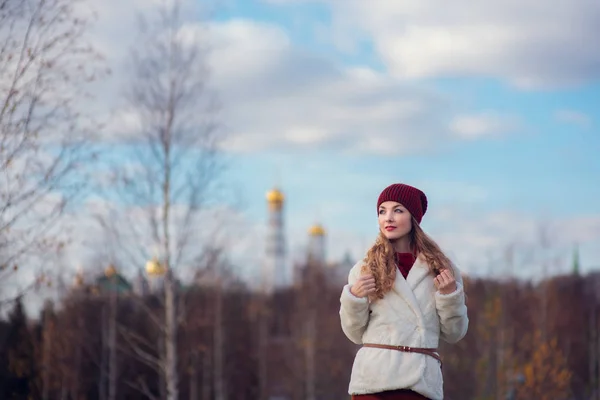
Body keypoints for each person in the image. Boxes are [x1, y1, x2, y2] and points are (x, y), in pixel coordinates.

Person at [339, 183, 469, 400]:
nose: (388, 218)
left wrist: (449, 295)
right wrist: (355, 298)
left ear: (413, 218)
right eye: (382, 211)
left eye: (398, 210)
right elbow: (353, 334)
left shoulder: (441, 269)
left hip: (419, 384)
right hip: (373, 384)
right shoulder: (365, 268)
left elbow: (455, 333)